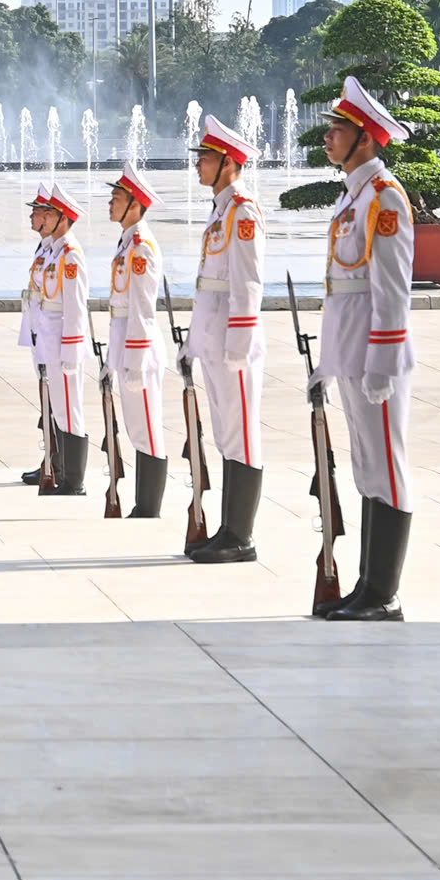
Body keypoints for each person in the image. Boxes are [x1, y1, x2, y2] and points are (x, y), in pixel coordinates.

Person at [317, 77, 416, 619]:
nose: (328, 137)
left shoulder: (385, 198)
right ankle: (366, 586)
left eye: (338, 130)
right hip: (351, 349)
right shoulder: (351, 197)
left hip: (377, 357)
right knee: (365, 467)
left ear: (366, 139)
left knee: (386, 466)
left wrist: (383, 360)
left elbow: (391, 289)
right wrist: (329, 360)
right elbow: (342, 289)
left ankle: (385, 593)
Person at [186, 114, 267, 563]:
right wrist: (195, 341)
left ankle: (241, 535)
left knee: (242, 434)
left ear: (227, 163)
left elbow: (248, 282)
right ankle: (227, 528)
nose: (198, 165)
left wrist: (239, 342)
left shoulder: (242, 211)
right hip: (214, 338)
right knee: (225, 433)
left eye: (205, 158)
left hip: (234, 342)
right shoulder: (221, 212)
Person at [104, 171, 173, 518]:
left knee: (146, 426)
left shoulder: (141, 245)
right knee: (135, 427)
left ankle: (149, 506)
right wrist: (113, 359)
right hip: (127, 346)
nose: (110, 202)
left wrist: (134, 356)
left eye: (117, 197)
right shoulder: (127, 243)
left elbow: (143, 309)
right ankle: (143, 503)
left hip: (140, 350)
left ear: (134, 204)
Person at [19, 187, 92, 496]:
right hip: (44, 337)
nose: (38, 217)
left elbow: (76, 306)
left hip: (62, 340)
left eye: (45, 212)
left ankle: (73, 479)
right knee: (53, 405)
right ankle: (55, 464)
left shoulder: (70, 255)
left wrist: (72, 349)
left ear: (62, 218)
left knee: (68, 408)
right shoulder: (48, 250)